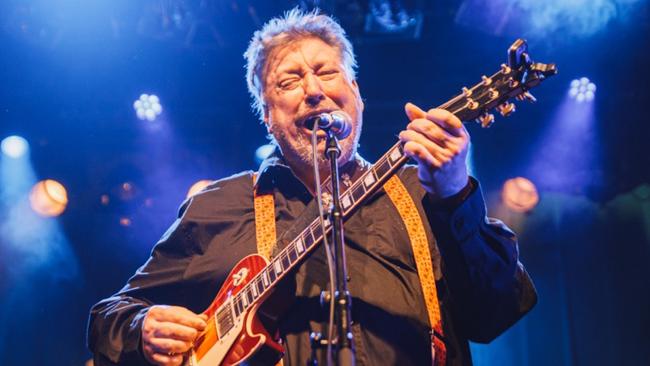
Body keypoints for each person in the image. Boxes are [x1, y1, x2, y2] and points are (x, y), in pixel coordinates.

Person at [87, 8, 536, 366]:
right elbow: (110, 315)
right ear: (267, 114)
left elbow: (494, 314)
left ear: (355, 93)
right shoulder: (216, 206)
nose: (313, 90)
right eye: (289, 81)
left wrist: (456, 193)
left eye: (326, 73)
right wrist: (142, 327)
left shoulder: (427, 191)